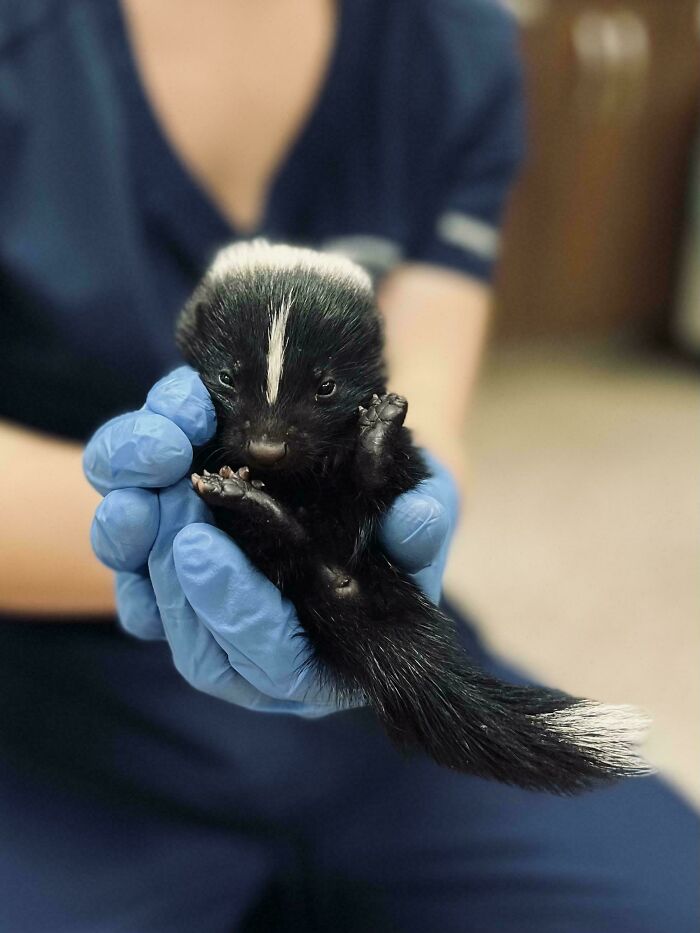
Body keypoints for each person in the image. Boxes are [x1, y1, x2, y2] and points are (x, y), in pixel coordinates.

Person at [0, 1, 697, 930]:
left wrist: (392, 504)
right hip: (44, 715)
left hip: (363, 679)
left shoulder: (457, 43)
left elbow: (417, 393)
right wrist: (170, 532)